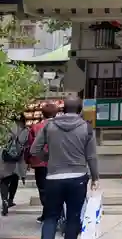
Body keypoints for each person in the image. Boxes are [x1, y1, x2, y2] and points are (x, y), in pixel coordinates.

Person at [31, 97, 100, 239]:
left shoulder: (49, 126)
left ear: (63, 109)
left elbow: (34, 149)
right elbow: (91, 156)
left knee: (50, 217)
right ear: (80, 110)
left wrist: (48, 158)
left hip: (53, 178)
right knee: (73, 217)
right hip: (78, 178)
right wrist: (95, 177)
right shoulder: (86, 127)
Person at [26, 103, 59, 223]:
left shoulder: (35, 127)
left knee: (43, 189)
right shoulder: (61, 126)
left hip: (40, 163)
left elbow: (30, 146)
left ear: (42, 114)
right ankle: (52, 213)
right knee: (56, 189)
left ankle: (48, 213)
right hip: (58, 163)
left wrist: (29, 160)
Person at [0, 115, 29, 216]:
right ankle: (10, 199)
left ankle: (4, 199)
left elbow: (3, 141)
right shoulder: (25, 130)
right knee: (15, 178)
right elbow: (25, 143)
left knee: (4, 179)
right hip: (18, 159)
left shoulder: (6, 128)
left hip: (5, 158)